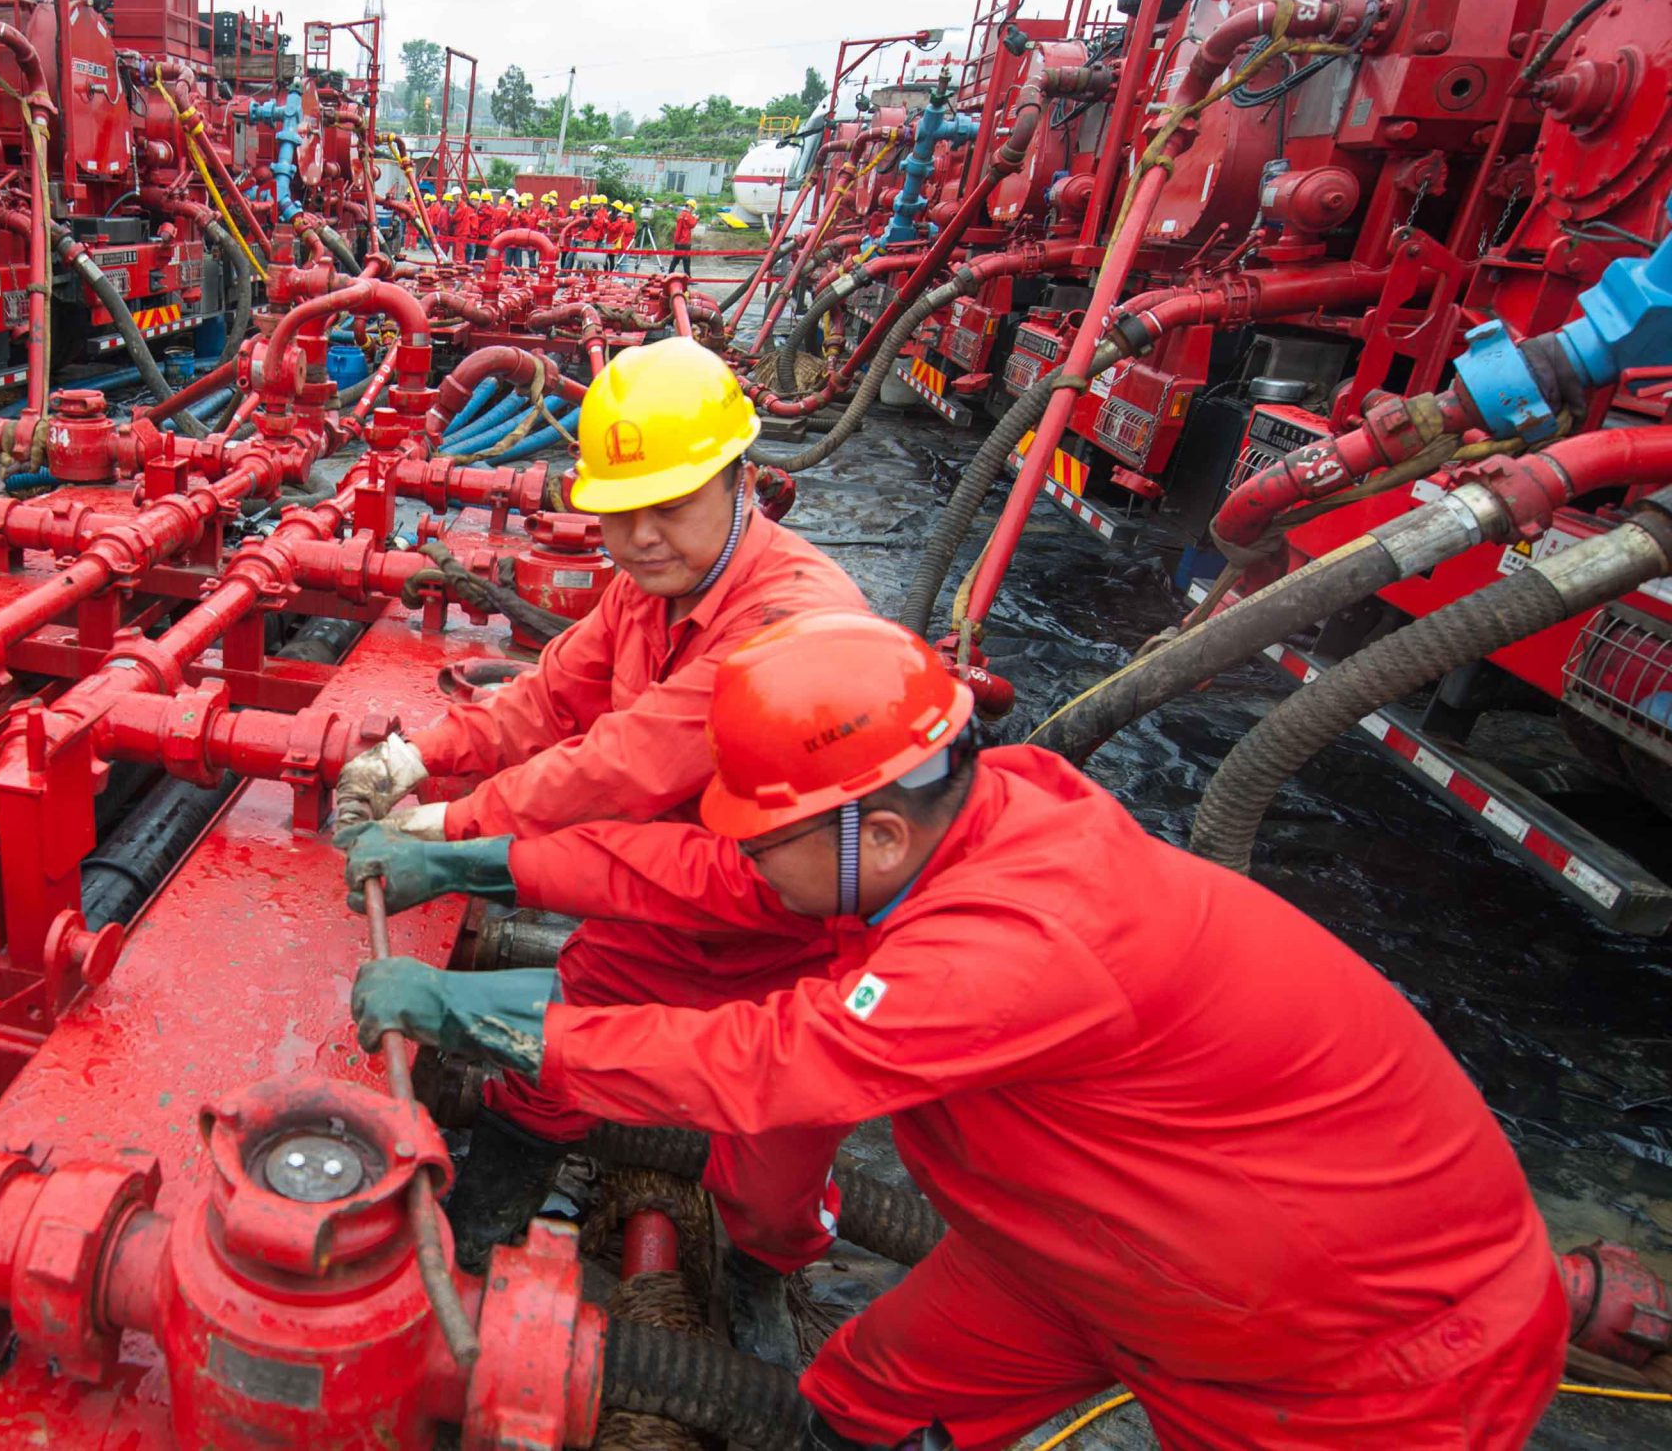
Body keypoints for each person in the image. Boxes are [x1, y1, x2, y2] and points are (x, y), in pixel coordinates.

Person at [353, 611, 1568, 1451]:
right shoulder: (947, 830)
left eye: (762, 834)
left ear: (869, 835)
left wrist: (500, 1023)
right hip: (1086, 1260)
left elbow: (781, 1063)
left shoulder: (1020, 938)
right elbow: (706, 878)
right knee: (858, 1399)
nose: (744, 858)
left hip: (1346, 1354)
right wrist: (494, 858)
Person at [334, 337, 872, 1304]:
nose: (643, 537)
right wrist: (419, 755)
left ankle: (753, 1289)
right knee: (546, 1067)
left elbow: (625, 765)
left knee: (769, 1186)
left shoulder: (790, 616)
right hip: (652, 907)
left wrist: (450, 829)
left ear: (739, 480)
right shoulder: (645, 588)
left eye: (670, 506)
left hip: (788, 941)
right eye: (622, 513)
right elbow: (551, 699)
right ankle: (475, 1240)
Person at [670, 197, 700, 285]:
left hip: (678, 241)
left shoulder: (680, 215)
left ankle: (669, 275)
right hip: (685, 241)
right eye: (693, 208)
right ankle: (688, 278)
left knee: (675, 259)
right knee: (686, 260)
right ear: (691, 207)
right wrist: (696, 218)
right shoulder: (687, 216)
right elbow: (692, 224)